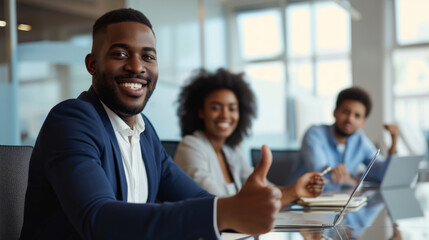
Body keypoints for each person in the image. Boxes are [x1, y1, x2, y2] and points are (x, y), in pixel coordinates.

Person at [20, 8, 284, 240]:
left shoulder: (145, 132)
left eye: (148, 57)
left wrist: (240, 207)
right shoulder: (72, 120)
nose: (136, 66)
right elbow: (97, 218)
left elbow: (199, 201)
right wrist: (224, 212)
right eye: (121, 54)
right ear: (92, 64)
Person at [174, 68, 324, 207]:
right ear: (200, 112)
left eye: (232, 108)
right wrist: (293, 192)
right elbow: (218, 205)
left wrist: (299, 189)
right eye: (216, 108)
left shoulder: (231, 151)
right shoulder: (190, 146)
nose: (225, 115)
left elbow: (264, 188)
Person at [299, 86, 400, 184]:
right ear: (335, 112)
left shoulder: (360, 140)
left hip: (338, 199)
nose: (350, 119)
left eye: (357, 116)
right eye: (346, 112)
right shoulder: (314, 134)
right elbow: (320, 177)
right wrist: (352, 180)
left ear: (363, 122)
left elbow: (382, 175)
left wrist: (394, 142)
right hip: (301, 199)